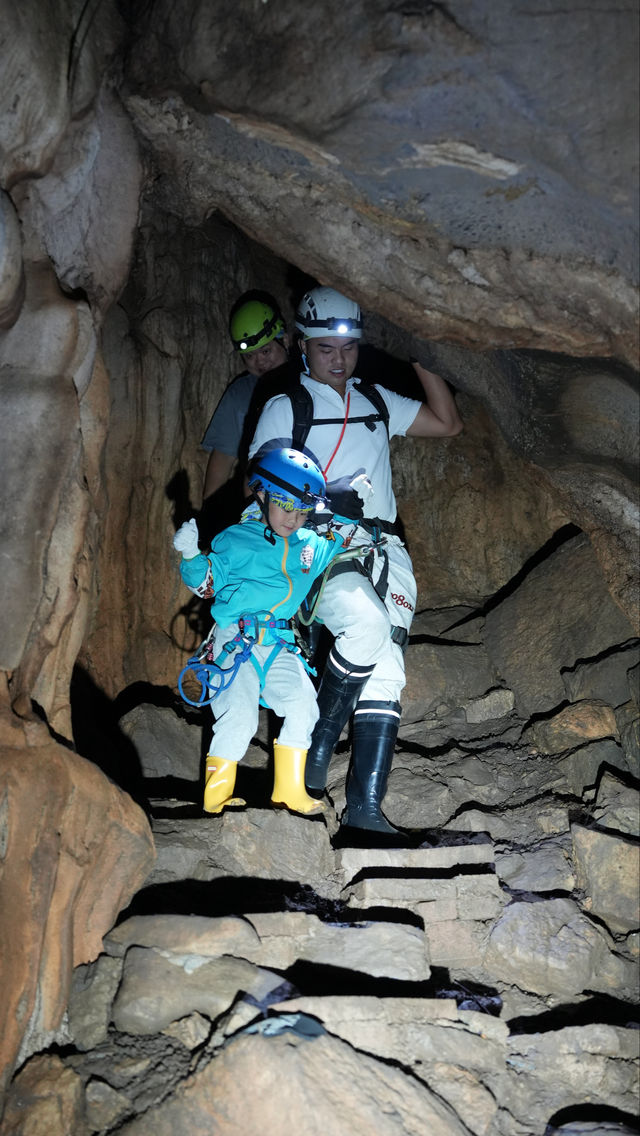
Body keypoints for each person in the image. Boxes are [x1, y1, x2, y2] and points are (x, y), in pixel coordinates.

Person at [249, 286, 463, 834]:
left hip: (386, 549)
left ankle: (365, 812)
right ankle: (316, 751)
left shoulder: (376, 400)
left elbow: (447, 423)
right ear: (302, 345)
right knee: (365, 624)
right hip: (319, 548)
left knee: (387, 670)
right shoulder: (285, 407)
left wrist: (424, 356)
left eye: (348, 347)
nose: (339, 359)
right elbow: (264, 492)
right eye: (325, 349)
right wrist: (319, 499)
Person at [173, 446, 365, 817]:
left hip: (279, 642)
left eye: (303, 510)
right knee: (239, 716)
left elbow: (337, 541)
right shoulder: (236, 539)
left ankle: (289, 791)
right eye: (285, 505)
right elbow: (208, 584)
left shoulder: (307, 545)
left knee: (302, 707)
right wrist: (191, 558)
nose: (294, 519)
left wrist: (353, 506)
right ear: (261, 494)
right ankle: (216, 796)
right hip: (236, 641)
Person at [201, 294, 291, 512]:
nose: (259, 361)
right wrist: (209, 520)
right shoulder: (240, 394)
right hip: (258, 508)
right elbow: (222, 462)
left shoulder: (310, 383)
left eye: (266, 350)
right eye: (249, 356)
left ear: (285, 340)